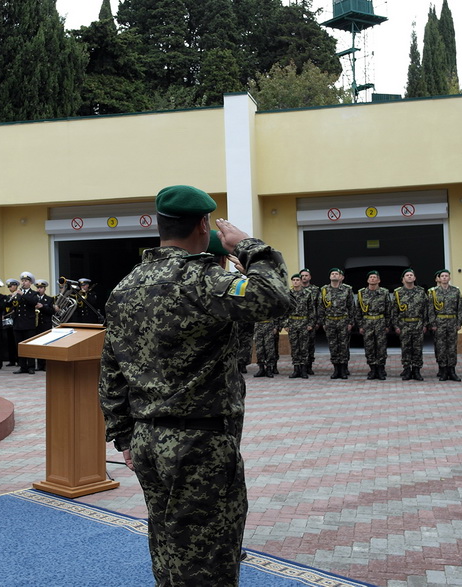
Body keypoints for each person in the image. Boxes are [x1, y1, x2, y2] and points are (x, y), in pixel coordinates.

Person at [98, 185, 290, 586]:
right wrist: (250, 246)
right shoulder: (200, 279)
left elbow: (111, 371)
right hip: (198, 443)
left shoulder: (125, 286)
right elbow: (274, 297)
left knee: (168, 543)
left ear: (160, 225)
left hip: (148, 440)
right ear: (204, 224)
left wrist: (124, 438)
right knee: (209, 557)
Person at [391, 269, 427, 381]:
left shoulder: (421, 292)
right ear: (403, 279)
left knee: (417, 348)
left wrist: (425, 324)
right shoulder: (398, 293)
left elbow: (426, 309)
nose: (410, 277)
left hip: (418, 323)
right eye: (407, 275)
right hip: (404, 324)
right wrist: (396, 326)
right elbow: (394, 311)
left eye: (411, 275)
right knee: (405, 348)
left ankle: (416, 370)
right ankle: (407, 369)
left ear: (415, 278)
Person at [427, 269, 462, 381]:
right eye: (442, 276)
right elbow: (430, 309)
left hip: (452, 322)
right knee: (441, 347)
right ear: (439, 278)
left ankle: (452, 370)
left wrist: (459, 322)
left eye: (446, 276)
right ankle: (443, 370)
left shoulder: (455, 291)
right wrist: (432, 323)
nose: (444, 278)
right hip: (439, 323)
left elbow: (460, 308)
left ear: (449, 278)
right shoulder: (433, 292)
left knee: (452, 347)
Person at [319, 268, 355, 379]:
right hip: (330, 321)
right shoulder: (324, 290)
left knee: (343, 345)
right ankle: (336, 369)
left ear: (340, 277)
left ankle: (343, 369)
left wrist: (351, 322)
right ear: (330, 277)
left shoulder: (347, 290)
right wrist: (323, 322)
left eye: (336, 274)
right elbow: (321, 307)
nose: (334, 275)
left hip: (343, 320)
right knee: (333, 345)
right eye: (332, 273)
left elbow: (351, 307)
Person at [356, 270, 390, 380]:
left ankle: (380, 369)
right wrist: (360, 325)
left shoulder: (384, 292)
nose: (373, 279)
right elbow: (358, 311)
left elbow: (388, 310)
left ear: (379, 280)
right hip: (367, 323)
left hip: (380, 322)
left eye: (375, 277)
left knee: (381, 347)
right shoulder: (361, 293)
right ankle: (372, 369)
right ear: (367, 280)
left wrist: (387, 325)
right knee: (369, 347)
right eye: (370, 277)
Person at [284, 274, 316, 378]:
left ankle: (303, 369)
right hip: (292, 323)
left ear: (301, 281)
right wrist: (285, 324)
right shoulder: (288, 294)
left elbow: (311, 310)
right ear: (292, 282)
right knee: (294, 347)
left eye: (298, 280)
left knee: (304, 347)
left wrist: (311, 323)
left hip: (303, 323)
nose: (296, 282)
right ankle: (296, 369)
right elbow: (284, 310)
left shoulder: (307, 294)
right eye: (294, 280)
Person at [11, 272, 38, 374]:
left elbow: (33, 302)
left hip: (28, 324)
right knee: (20, 346)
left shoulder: (33, 293)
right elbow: (11, 305)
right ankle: (22, 366)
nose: (23, 282)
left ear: (30, 283)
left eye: (26, 281)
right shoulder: (17, 293)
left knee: (29, 346)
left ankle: (31, 366)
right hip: (18, 324)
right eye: (22, 281)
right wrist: (13, 297)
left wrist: (23, 294)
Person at [299, 268, 318, 375]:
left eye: (306, 275)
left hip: (311, 321)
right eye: (302, 276)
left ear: (310, 277)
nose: (304, 277)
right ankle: (301, 366)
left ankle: (309, 365)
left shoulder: (315, 290)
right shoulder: (296, 290)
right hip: (299, 322)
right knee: (300, 345)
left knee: (310, 345)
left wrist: (316, 321)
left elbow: (318, 306)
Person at [33, 279, 55, 371]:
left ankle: (46, 364)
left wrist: (43, 307)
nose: (39, 289)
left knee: (46, 345)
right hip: (36, 325)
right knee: (38, 345)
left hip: (45, 325)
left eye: (41, 287)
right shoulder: (33, 298)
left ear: (45, 289)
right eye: (38, 288)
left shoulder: (49, 299)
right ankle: (39, 364)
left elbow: (52, 311)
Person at [3, 279, 19, 367]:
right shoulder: (8, 297)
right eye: (9, 286)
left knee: (15, 341)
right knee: (10, 341)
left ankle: (18, 359)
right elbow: (5, 307)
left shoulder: (18, 295)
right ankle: (11, 359)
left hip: (15, 320)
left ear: (16, 286)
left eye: (11, 286)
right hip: (8, 321)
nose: (10, 288)